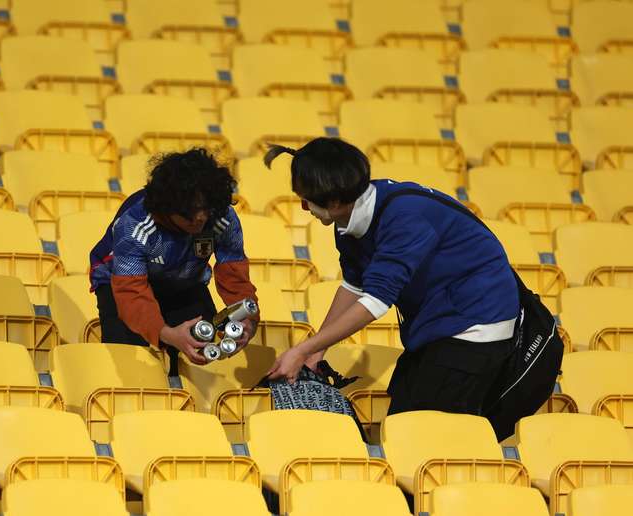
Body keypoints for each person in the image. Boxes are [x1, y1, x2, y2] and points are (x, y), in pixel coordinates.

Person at [264, 137, 560, 435]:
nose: (304, 208)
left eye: (306, 201)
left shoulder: (405, 217)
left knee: (422, 437)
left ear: (335, 201)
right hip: (437, 330)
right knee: (400, 430)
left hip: (473, 329)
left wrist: (302, 349)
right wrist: (317, 351)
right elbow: (354, 286)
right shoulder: (349, 219)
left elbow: (375, 302)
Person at [89, 148, 258, 374]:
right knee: (132, 365)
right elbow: (131, 292)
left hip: (185, 283)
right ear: (167, 208)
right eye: (189, 213)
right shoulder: (134, 225)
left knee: (203, 351)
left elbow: (234, 276)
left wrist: (248, 319)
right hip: (119, 285)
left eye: (205, 210)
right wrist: (166, 334)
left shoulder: (221, 218)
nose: (199, 218)